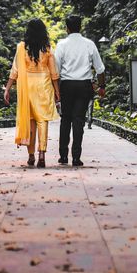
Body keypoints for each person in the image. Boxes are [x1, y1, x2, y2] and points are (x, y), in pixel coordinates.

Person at [4, 19, 60, 168]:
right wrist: (57, 91)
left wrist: (8, 88)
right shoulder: (47, 48)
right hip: (44, 85)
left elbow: (14, 70)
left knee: (30, 121)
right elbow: (54, 72)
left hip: (27, 86)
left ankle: (31, 156)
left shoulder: (22, 47)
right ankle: (42, 153)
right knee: (42, 121)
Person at [54, 14, 105, 166]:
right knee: (78, 121)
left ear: (67, 28)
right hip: (84, 86)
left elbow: (55, 71)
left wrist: (55, 91)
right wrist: (102, 87)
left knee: (65, 120)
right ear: (80, 27)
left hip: (67, 85)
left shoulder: (61, 44)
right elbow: (100, 69)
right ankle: (76, 157)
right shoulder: (89, 44)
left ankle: (63, 156)